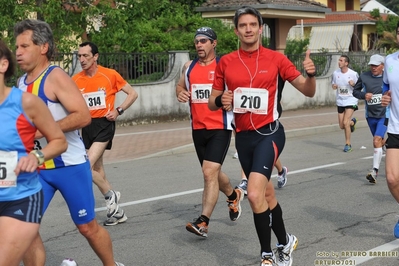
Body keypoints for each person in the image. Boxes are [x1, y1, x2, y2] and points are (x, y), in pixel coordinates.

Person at [208, 6, 316, 265]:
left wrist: (311, 75)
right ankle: (285, 241)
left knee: (254, 195)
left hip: (270, 133)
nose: (248, 29)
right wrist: (220, 99)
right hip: (243, 137)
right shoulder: (226, 62)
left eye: (252, 25)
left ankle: (267, 254)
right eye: (243, 25)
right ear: (236, 30)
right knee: (266, 195)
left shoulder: (276, 59)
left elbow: (308, 91)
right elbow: (212, 101)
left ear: (259, 28)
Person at [14, 19, 124, 266]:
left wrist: (44, 129)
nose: (18, 52)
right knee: (25, 226)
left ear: (43, 47)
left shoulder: (55, 77)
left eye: (24, 46)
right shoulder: (21, 83)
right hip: (38, 168)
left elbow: (83, 116)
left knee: (87, 227)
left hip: (69, 166)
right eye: (16, 47)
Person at [0, 40, 67, 266]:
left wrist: (35, 157)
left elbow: (58, 141)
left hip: (20, 197)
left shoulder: (26, 102)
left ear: (3, 65)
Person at [176, 27, 243, 238]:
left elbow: (239, 92)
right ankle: (234, 195)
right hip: (198, 128)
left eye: (204, 41)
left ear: (214, 43)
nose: (199, 45)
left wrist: (230, 101)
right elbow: (179, 87)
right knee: (212, 172)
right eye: (197, 41)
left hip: (220, 128)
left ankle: (203, 222)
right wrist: (181, 93)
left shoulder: (225, 65)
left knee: (208, 173)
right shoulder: (189, 67)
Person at [73, 41, 138, 226]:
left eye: (85, 55)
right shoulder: (76, 80)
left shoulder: (109, 75)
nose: (82, 59)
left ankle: (111, 196)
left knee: (85, 165)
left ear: (95, 56)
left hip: (104, 124)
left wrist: (119, 110)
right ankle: (116, 211)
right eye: (79, 55)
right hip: (86, 126)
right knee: (97, 170)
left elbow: (132, 94)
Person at [353, 54, 387, 184]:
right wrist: (363, 95)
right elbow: (355, 91)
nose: (373, 68)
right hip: (370, 115)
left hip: (385, 114)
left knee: (376, 140)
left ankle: (374, 171)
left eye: (376, 65)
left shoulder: (387, 77)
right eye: (371, 65)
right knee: (378, 141)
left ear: (382, 66)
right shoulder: (364, 76)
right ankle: (388, 144)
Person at [381, 21, 399, 238]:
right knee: (393, 179)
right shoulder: (390, 60)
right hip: (395, 126)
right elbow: (386, 85)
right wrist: (386, 97)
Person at [332, 55, 359, 152]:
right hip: (340, 100)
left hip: (351, 100)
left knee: (345, 122)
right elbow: (333, 85)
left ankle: (348, 144)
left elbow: (360, 87)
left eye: (341, 60)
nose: (339, 62)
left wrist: (354, 84)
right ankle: (352, 122)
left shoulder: (353, 74)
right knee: (342, 126)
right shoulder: (335, 73)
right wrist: (334, 86)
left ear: (346, 63)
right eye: (339, 60)